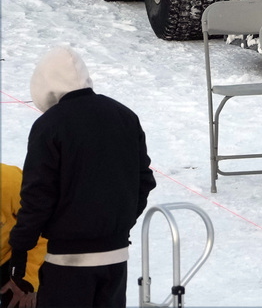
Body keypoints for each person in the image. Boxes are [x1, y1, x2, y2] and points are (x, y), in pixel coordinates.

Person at [1, 47, 155, 308]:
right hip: (116, 257)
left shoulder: (50, 125)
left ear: (44, 84)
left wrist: (20, 251)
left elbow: (37, 197)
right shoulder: (124, 115)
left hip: (67, 260)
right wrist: (120, 222)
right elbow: (144, 180)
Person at [1, 165, 45, 308]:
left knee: (21, 299)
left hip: (12, 257)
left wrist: (28, 276)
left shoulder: (9, 182)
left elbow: (40, 232)